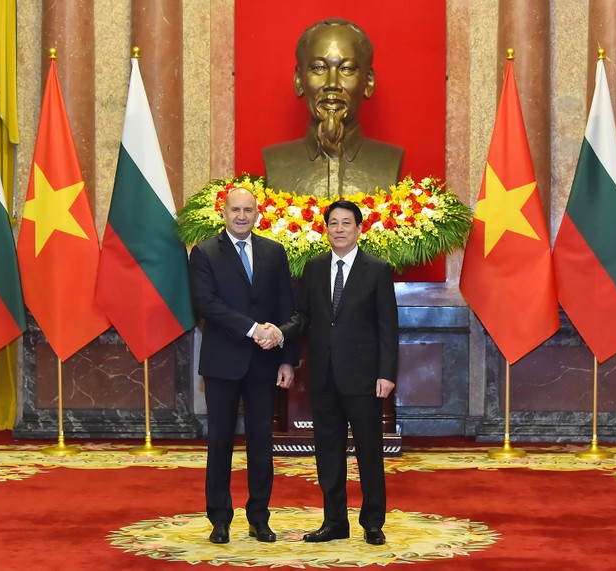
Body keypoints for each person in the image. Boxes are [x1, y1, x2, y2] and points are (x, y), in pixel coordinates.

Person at [274, 200, 399, 545]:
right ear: (325, 229)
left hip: (364, 378)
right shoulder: (313, 268)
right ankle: (334, 522)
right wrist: (280, 332)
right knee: (327, 452)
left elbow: (388, 325)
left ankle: (373, 522)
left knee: (369, 452)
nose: (340, 229)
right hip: (324, 376)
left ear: (359, 229)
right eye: (333, 223)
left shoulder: (377, 269)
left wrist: (387, 373)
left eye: (347, 223)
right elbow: (304, 316)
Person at [188, 187, 296, 544]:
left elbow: (285, 307)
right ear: (224, 212)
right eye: (235, 209)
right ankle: (219, 519)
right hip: (223, 363)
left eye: (248, 210)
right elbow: (206, 303)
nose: (242, 216)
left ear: (257, 213)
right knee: (219, 441)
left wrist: (286, 357)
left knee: (261, 443)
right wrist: (252, 329)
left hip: (265, 363)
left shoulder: (274, 252)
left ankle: (259, 518)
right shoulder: (204, 252)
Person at [262, 18, 403, 197]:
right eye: (319, 68)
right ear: (299, 80)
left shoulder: (389, 161)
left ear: (368, 82)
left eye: (347, 69)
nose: (332, 84)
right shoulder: (276, 161)